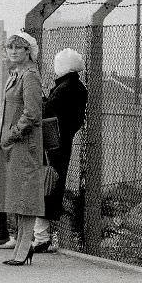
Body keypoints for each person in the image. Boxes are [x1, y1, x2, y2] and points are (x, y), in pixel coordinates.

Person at [0, 32, 44, 266]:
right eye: (10, 48)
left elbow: (32, 112)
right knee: (16, 195)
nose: (13, 51)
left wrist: (12, 134)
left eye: (18, 48)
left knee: (26, 194)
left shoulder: (30, 76)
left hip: (23, 143)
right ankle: (22, 244)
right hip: (12, 144)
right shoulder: (16, 74)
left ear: (28, 51)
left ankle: (24, 246)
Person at [33, 48, 88, 252]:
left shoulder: (64, 89)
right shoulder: (78, 87)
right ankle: (47, 235)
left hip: (52, 143)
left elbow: (47, 111)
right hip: (63, 142)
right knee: (54, 186)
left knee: (46, 186)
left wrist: (41, 99)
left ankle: (42, 237)